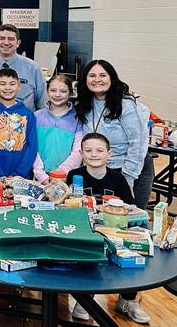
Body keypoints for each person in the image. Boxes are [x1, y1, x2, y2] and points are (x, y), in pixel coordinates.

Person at [66, 133, 148, 324]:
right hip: (85, 229)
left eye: (99, 150)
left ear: (109, 154)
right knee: (88, 251)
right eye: (88, 150)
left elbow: (132, 207)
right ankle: (85, 298)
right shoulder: (74, 176)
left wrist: (118, 208)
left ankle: (128, 300)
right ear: (81, 153)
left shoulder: (117, 178)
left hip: (114, 230)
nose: (94, 154)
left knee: (130, 253)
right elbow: (66, 203)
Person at [74, 59, 152, 210]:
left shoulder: (125, 104)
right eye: (92, 75)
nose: (97, 79)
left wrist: (128, 179)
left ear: (111, 78)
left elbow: (138, 144)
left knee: (131, 216)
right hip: (102, 169)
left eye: (103, 75)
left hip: (132, 169)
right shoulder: (84, 104)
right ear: (85, 80)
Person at [0, 68, 38, 178]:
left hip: (21, 176)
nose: (7, 88)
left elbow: (32, 147)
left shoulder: (28, 114)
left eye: (12, 84)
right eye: (3, 84)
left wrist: (19, 173)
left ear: (19, 86)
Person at [32, 74, 83, 183]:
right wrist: (41, 175)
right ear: (47, 91)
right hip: (39, 176)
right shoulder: (36, 116)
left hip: (66, 176)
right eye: (53, 90)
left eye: (63, 91)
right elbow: (31, 147)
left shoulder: (77, 119)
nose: (57, 95)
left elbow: (78, 151)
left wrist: (60, 173)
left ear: (71, 93)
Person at [0, 24, 46, 112]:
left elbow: (42, 106)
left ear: (18, 43)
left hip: (24, 123)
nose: (6, 42)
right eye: (2, 38)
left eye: (11, 39)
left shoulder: (33, 69)